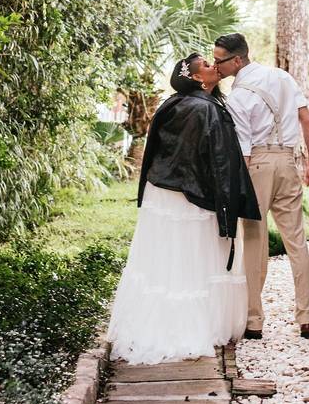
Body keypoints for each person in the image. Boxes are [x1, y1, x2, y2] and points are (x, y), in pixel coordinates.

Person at [106, 53, 260, 364]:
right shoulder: (205, 109)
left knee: (170, 259)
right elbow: (215, 160)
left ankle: (163, 322)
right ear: (195, 78)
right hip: (192, 194)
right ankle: (192, 327)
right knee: (195, 258)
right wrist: (225, 200)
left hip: (162, 191)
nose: (213, 66)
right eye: (206, 65)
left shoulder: (171, 104)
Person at [212, 33, 309, 340]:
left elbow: (244, 150)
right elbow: (307, 120)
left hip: (258, 164)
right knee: (297, 241)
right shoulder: (282, 77)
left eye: (219, 60)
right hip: (289, 162)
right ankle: (307, 317)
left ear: (237, 60)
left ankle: (254, 321)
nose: (215, 66)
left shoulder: (237, 97)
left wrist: (238, 188)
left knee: (254, 242)